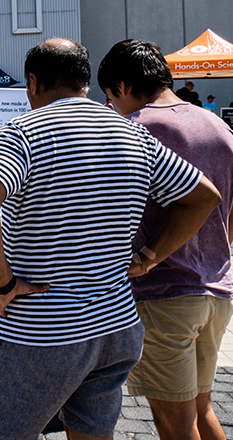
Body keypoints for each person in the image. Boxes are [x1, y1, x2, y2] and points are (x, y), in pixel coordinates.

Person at [0, 38, 221, 440]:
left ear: (33, 83)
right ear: (85, 82)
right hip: (116, 324)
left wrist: (5, 282)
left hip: (45, 327)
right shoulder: (132, 134)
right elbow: (203, 196)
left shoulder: (24, 132)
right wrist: (150, 256)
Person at [98, 39, 233, 440]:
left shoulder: (137, 128)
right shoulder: (218, 125)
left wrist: (150, 256)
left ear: (121, 86)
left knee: (174, 423)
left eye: (109, 97)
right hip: (217, 288)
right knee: (201, 409)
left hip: (165, 291)